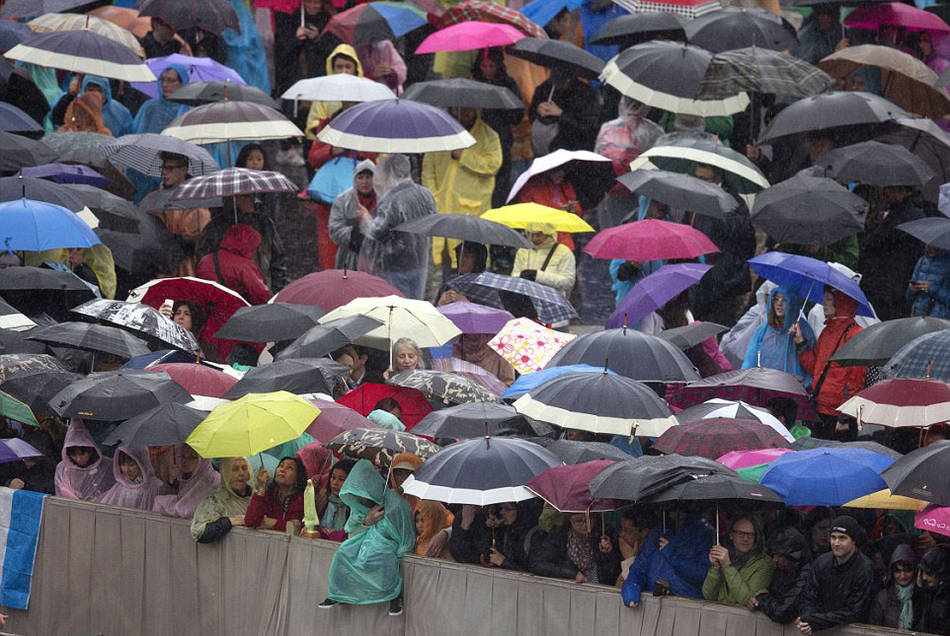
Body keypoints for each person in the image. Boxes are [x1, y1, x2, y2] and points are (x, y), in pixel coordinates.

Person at [318, 459, 416, 616]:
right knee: (344, 550)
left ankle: (393, 596)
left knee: (378, 552)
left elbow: (406, 536)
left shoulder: (397, 504)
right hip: (363, 540)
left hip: (387, 545)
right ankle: (339, 593)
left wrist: (400, 553)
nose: (361, 499)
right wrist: (367, 522)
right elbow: (351, 532)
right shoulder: (359, 504)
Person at [423, 106, 501, 276]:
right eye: (459, 109)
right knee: (443, 267)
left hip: (472, 211)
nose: (464, 112)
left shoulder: (489, 136)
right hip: (441, 210)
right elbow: (428, 170)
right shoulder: (440, 136)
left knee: (471, 262)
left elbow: (493, 164)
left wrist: (464, 156)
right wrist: (433, 197)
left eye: (468, 108)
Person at [357, 154, 436, 299]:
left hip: (394, 266)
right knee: (416, 310)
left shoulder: (391, 199)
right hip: (420, 263)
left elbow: (377, 232)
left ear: (389, 172)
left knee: (399, 311)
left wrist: (366, 217)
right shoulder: (426, 194)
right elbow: (432, 223)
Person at [792, 289, 866, 437]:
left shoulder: (855, 335)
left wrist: (845, 416)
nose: (823, 303)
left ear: (841, 303)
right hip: (820, 410)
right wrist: (800, 343)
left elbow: (856, 381)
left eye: (829, 300)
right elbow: (816, 369)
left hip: (839, 417)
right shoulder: (827, 331)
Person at [796, 515, 875, 634]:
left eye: (842, 538)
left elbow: (854, 611)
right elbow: (809, 597)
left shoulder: (865, 569)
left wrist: (815, 621)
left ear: (853, 541)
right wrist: (807, 620)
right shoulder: (821, 562)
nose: (836, 543)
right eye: (833, 537)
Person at [594, 96, 664, 229]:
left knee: (614, 230)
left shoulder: (607, 127)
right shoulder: (654, 131)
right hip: (640, 190)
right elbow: (659, 166)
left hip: (612, 187)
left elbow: (597, 159)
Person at [139, 151, 212, 276]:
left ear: (183, 169)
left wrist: (175, 240)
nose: (164, 173)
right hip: (159, 268)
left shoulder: (195, 201)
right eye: (163, 168)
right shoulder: (153, 198)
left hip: (188, 269)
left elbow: (198, 236)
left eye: (170, 168)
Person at [859, 185, 925, 321]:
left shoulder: (902, 215)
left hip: (892, 289)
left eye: (888, 188)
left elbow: (872, 243)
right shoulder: (905, 212)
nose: (884, 193)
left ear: (900, 190)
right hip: (894, 286)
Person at [198, 193, 288, 291]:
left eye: (253, 195)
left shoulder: (264, 223)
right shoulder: (215, 227)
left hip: (262, 292)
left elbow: (278, 259)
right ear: (232, 199)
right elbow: (206, 263)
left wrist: (276, 290)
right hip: (227, 294)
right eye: (246, 196)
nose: (252, 199)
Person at [622, 512, 714, 608]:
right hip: (654, 605)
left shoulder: (701, 533)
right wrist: (631, 591)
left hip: (688, 606)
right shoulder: (658, 533)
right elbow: (639, 568)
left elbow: (702, 574)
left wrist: (673, 556)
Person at [471, 48, 523, 207]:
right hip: (478, 140)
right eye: (484, 66)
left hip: (501, 139)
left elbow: (517, 116)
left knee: (500, 182)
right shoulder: (473, 85)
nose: (487, 70)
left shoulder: (508, 85)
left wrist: (498, 102)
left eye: (491, 66)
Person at [743, 286, 815, 387]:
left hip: (794, 388)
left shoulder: (803, 329)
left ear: (792, 303)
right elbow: (751, 359)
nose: (779, 304)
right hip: (767, 385)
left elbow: (812, 363)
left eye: (784, 300)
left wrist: (800, 342)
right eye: (776, 299)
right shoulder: (763, 329)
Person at [702, 515, 775, 607]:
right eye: (741, 534)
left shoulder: (765, 564)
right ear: (731, 535)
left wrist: (727, 565)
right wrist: (716, 568)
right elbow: (708, 595)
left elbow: (747, 600)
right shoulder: (725, 556)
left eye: (750, 535)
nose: (745, 539)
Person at [529, 512, 621, 584]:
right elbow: (538, 565)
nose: (585, 525)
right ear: (570, 519)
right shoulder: (559, 535)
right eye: (578, 521)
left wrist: (608, 553)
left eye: (590, 519)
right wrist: (572, 574)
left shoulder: (605, 533)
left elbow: (613, 574)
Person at [273, 0, 339, 97]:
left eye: (316, 2)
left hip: (320, 80)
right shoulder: (289, 21)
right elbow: (281, 54)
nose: (312, 6)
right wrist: (296, 39)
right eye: (308, 1)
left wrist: (317, 38)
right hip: (293, 80)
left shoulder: (330, 22)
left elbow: (334, 52)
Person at [528, 66, 600, 153]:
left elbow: (589, 127)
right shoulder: (544, 89)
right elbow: (532, 116)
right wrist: (538, 110)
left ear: (570, 79)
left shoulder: (585, 93)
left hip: (576, 148)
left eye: (563, 83)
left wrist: (561, 114)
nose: (558, 87)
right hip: (548, 148)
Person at [196, 223, 272, 305]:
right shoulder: (244, 266)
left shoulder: (205, 261)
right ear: (248, 245)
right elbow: (260, 294)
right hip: (238, 312)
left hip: (213, 310)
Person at [751, 526, 812, 624]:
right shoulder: (782, 571)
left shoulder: (807, 576)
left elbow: (783, 612)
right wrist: (758, 601)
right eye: (774, 554)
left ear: (792, 556)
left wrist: (763, 599)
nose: (775, 559)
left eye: (779, 555)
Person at [190, 456, 253, 543]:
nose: (241, 473)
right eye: (235, 469)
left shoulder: (256, 498)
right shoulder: (215, 500)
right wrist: (230, 521)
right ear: (225, 473)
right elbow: (198, 532)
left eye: (244, 468)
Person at [328, 159, 377, 271]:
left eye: (369, 177)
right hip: (348, 258)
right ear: (355, 179)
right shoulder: (343, 200)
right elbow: (335, 229)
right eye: (360, 177)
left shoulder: (384, 199)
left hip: (377, 258)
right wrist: (354, 235)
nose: (365, 182)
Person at [152, 445, 221, 519]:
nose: (185, 461)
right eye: (183, 456)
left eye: (192, 457)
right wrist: (172, 482)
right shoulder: (186, 476)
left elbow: (188, 510)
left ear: (202, 459)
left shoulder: (212, 479)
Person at [511, 221, 576, 298]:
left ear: (549, 234)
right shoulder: (523, 250)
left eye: (538, 235)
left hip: (551, 299)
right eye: (530, 234)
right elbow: (514, 275)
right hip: (525, 298)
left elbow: (567, 282)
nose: (533, 238)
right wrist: (522, 276)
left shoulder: (564, 252)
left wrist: (538, 276)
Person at [54, 419, 114, 501]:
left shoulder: (107, 466)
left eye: (82, 454)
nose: (78, 459)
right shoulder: (62, 469)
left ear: (90, 451)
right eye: (74, 455)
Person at [244, 456, 307, 532]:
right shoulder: (270, 495)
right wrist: (261, 487)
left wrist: (274, 523)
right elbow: (250, 521)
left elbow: (306, 529)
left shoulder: (304, 499)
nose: (282, 470)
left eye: (290, 468)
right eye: (281, 466)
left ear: (298, 477)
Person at [98, 446, 162, 511]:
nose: (126, 470)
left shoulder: (154, 486)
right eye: (123, 464)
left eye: (131, 464)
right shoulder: (121, 485)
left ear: (141, 463)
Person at [869, 543, 917, 629]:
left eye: (907, 570)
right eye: (898, 571)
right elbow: (873, 628)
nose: (903, 576)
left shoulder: (922, 596)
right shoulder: (882, 598)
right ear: (892, 572)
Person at [132, 65, 190, 134]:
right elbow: (136, 132)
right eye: (162, 80)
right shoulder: (150, 107)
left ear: (182, 83)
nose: (164, 84)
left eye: (170, 80)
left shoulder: (189, 110)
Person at [913, 546, 950, 634]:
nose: (924, 577)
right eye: (923, 572)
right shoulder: (928, 592)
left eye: (929, 573)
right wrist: (919, 589)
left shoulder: (945, 597)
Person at [908, 244, 950, 318]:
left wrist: (932, 289)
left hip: (940, 321)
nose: (927, 245)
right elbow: (909, 298)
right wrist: (912, 290)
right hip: (918, 319)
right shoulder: (922, 260)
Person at [322, 457, 356, 533]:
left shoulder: (355, 508)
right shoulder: (325, 500)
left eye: (341, 479)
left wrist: (334, 534)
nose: (335, 483)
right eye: (333, 477)